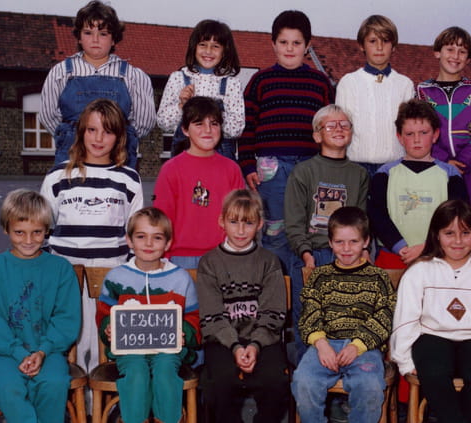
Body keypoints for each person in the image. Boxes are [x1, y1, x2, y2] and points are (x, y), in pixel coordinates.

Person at [390, 199, 471, 423]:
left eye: (465, 233)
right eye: (449, 233)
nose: (458, 241)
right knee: (434, 372)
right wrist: (405, 361)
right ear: (436, 235)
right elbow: (406, 319)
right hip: (432, 336)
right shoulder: (420, 270)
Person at [40, 98, 143, 372]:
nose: (98, 139)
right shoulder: (57, 176)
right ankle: (71, 397)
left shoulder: (129, 179)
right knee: (68, 348)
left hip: (110, 276)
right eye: (92, 130)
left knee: (103, 350)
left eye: (107, 132)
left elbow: (135, 235)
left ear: (119, 137)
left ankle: (100, 397)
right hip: (67, 278)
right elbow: (43, 232)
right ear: (81, 132)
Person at [238, 10, 334, 271]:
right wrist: (247, 165)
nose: (290, 49)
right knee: (275, 229)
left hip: (311, 166)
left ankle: (305, 286)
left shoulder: (320, 82)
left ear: (307, 46)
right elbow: (247, 127)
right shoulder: (260, 81)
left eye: (296, 43)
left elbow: (329, 127)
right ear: (273, 44)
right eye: (283, 42)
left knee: (310, 230)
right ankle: (277, 287)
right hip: (272, 168)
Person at [0, 189, 81, 423]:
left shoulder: (61, 269)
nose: (28, 240)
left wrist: (42, 351)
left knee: (54, 383)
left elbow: (66, 318)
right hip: (5, 354)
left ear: (47, 230)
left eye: (37, 232)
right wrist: (19, 353)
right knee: (10, 388)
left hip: (49, 351)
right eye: (19, 232)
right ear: (6, 229)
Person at [292, 206, 396, 423]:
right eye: (339, 242)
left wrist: (357, 345)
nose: (346, 248)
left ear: (366, 242)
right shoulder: (320, 276)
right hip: (324, 345)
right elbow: (309, 313)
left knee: (369, 386)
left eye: (354, 241)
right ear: (330, 242)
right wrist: (321, 344)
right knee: (303, 382)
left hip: (364, 348)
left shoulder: (378, 278)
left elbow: (385, 316)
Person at [96, 207, 200, 423]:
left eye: (157, 238)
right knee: (136, 373)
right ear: (129, 240)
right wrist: (109, 329)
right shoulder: (116, 277)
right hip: (130, 350)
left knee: (165, 371)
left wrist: (184, 333)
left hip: (169, 351)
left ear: (168, 243)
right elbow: (104, 316)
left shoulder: (181, 279)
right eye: (141, 236)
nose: (149, 244)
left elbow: (193, 319)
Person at [284, 104, 369, 360]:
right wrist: (306, 254)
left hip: (347, 255)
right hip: (313, 254)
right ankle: (305, 376)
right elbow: (294, 222)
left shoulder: (359, 174)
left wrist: (362, 252)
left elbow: (361, 219)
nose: (338, 129)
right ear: (317, 135)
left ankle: (345, 375)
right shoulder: (303, 171)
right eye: (330, 125)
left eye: (344, 124)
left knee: (348, 320)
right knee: (308, 322)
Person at [196, 189, 289, 423]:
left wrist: (255, 346)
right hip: (223, 341)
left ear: (259, 225)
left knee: (276, 381)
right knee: (220, 382)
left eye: (248, 223)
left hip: (263, 340)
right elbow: (212, 317)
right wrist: (236, 347)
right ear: (221, 221)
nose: (240, 230)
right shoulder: (209, 263)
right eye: (233, 222)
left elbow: (273, 313)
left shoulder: (269, 262)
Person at [39, 0, 154, 167]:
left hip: (118, 158)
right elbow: (48, 115)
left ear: (114, 39)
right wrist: (70, 135)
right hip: (71, 156)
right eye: (88, 33)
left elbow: (144, 122)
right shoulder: (61, 73)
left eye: (103, 34)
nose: (95, 39)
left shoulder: (133, 76)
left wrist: (119, 137)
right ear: (79, 37)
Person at [368, 99, 468, 269]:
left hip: (437, 256)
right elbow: (377, 215)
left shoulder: (450, 174)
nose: (416, 140)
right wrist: (400, 247)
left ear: (435, 135)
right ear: (399, 137)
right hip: (394, 255)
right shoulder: (385, 173)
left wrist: (428, 246)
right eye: (409, 134)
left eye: (423, 133)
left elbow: (456, 218)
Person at [153, 96, 245, 270]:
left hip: (223, 255)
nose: (207, 130)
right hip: (180, 258)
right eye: (199, 124)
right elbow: (162, 218)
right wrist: (163, 258)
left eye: (214, 124)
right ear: (185, 130)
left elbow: (240, 215)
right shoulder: (171, 169)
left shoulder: (232, 169)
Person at [416, 26, 471, 210]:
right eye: (450, 49)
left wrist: (462, 163)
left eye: (462, 52)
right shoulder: (422, 92)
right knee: (435, 214)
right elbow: (420, 131)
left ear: (468, 59)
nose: (455, 56)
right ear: (437, 52)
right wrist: (443, 161)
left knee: (468, 215)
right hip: (435, 166)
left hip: (470, 170)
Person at [336, 15, 415, 177]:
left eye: (385, 41)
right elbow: (340, 128)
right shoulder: (348, 82)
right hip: (355, 166)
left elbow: (409, 129)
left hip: (394, 167)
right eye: (372, 41)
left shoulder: (405, 84)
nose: (379, 47)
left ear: (393, 46)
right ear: (362, 45)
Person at [156, 19, 244, 158]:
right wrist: (182, 105)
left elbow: (236, 129)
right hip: (185, 155)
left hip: (220, 158)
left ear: (225, 51)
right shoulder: (178, 78)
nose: (208, 51)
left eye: (215, 46)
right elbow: (163, 122)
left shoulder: (232, 83)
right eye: (203, 45)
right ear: (194, 47)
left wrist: (213, 115)